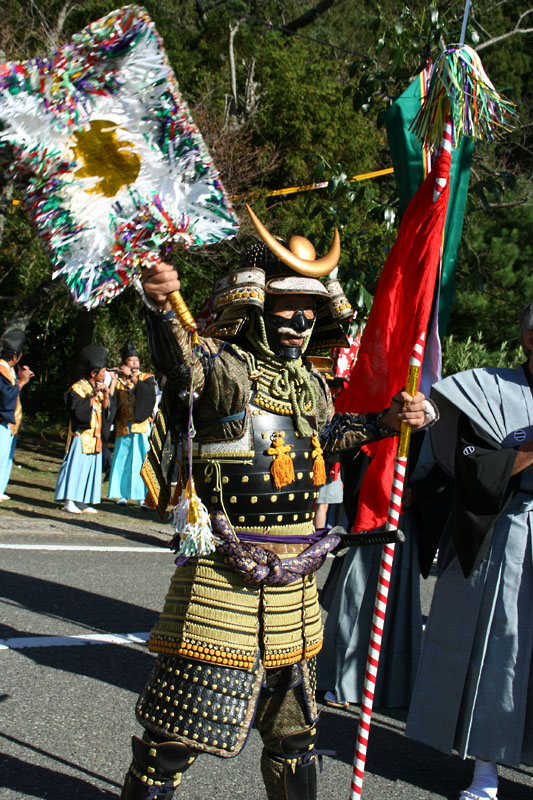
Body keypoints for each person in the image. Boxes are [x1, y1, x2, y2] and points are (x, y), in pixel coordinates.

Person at [119, 214, 433, 800]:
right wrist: (163, 308)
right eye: (288, 305)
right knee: (173, 733)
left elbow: (323, 437)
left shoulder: (308, 385)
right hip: (222, 579)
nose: (301, 320)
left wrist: (384, 422)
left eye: (311, 310)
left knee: (295, 740)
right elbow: (179, 365)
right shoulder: (225, 369)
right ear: (259, 306)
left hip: (294, 586)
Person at [406, 302, 533, 800]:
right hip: (511, 533)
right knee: (499, 650)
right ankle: (485, 772)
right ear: (528, 339)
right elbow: (469, 462)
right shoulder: (491, 389)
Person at [54, 344, 117, 513]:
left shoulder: (98, 387)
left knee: (89, 469)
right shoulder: (78, 388)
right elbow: (77, 410)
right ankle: (69, 500)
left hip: (94, 436)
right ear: (93, 373)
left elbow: (107, 411)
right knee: (76, 468)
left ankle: (82, 500)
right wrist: (94, 396)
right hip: (80, 435)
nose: (106, 374)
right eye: (103, 371)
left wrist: (105, 398)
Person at [108, 340, 156, 506]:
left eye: (136, 361)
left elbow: (148, 395)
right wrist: (113, 382)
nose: (135, 363)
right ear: (124, 364)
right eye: (131, 361)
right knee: (123, 461)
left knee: (141, 461)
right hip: (124, 426)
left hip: (141, 426)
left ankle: (143, 496)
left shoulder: (146, 378)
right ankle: (121, 494)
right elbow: (111, 400)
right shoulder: (119, 380)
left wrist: (131, 376)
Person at [0, 328, 34, 500]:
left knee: (6, 456)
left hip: (10, 423)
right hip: (2, 421)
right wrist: (21, 383)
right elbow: (6, 396)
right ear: (15, 356)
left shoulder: (9, 370)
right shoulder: (1, 370)